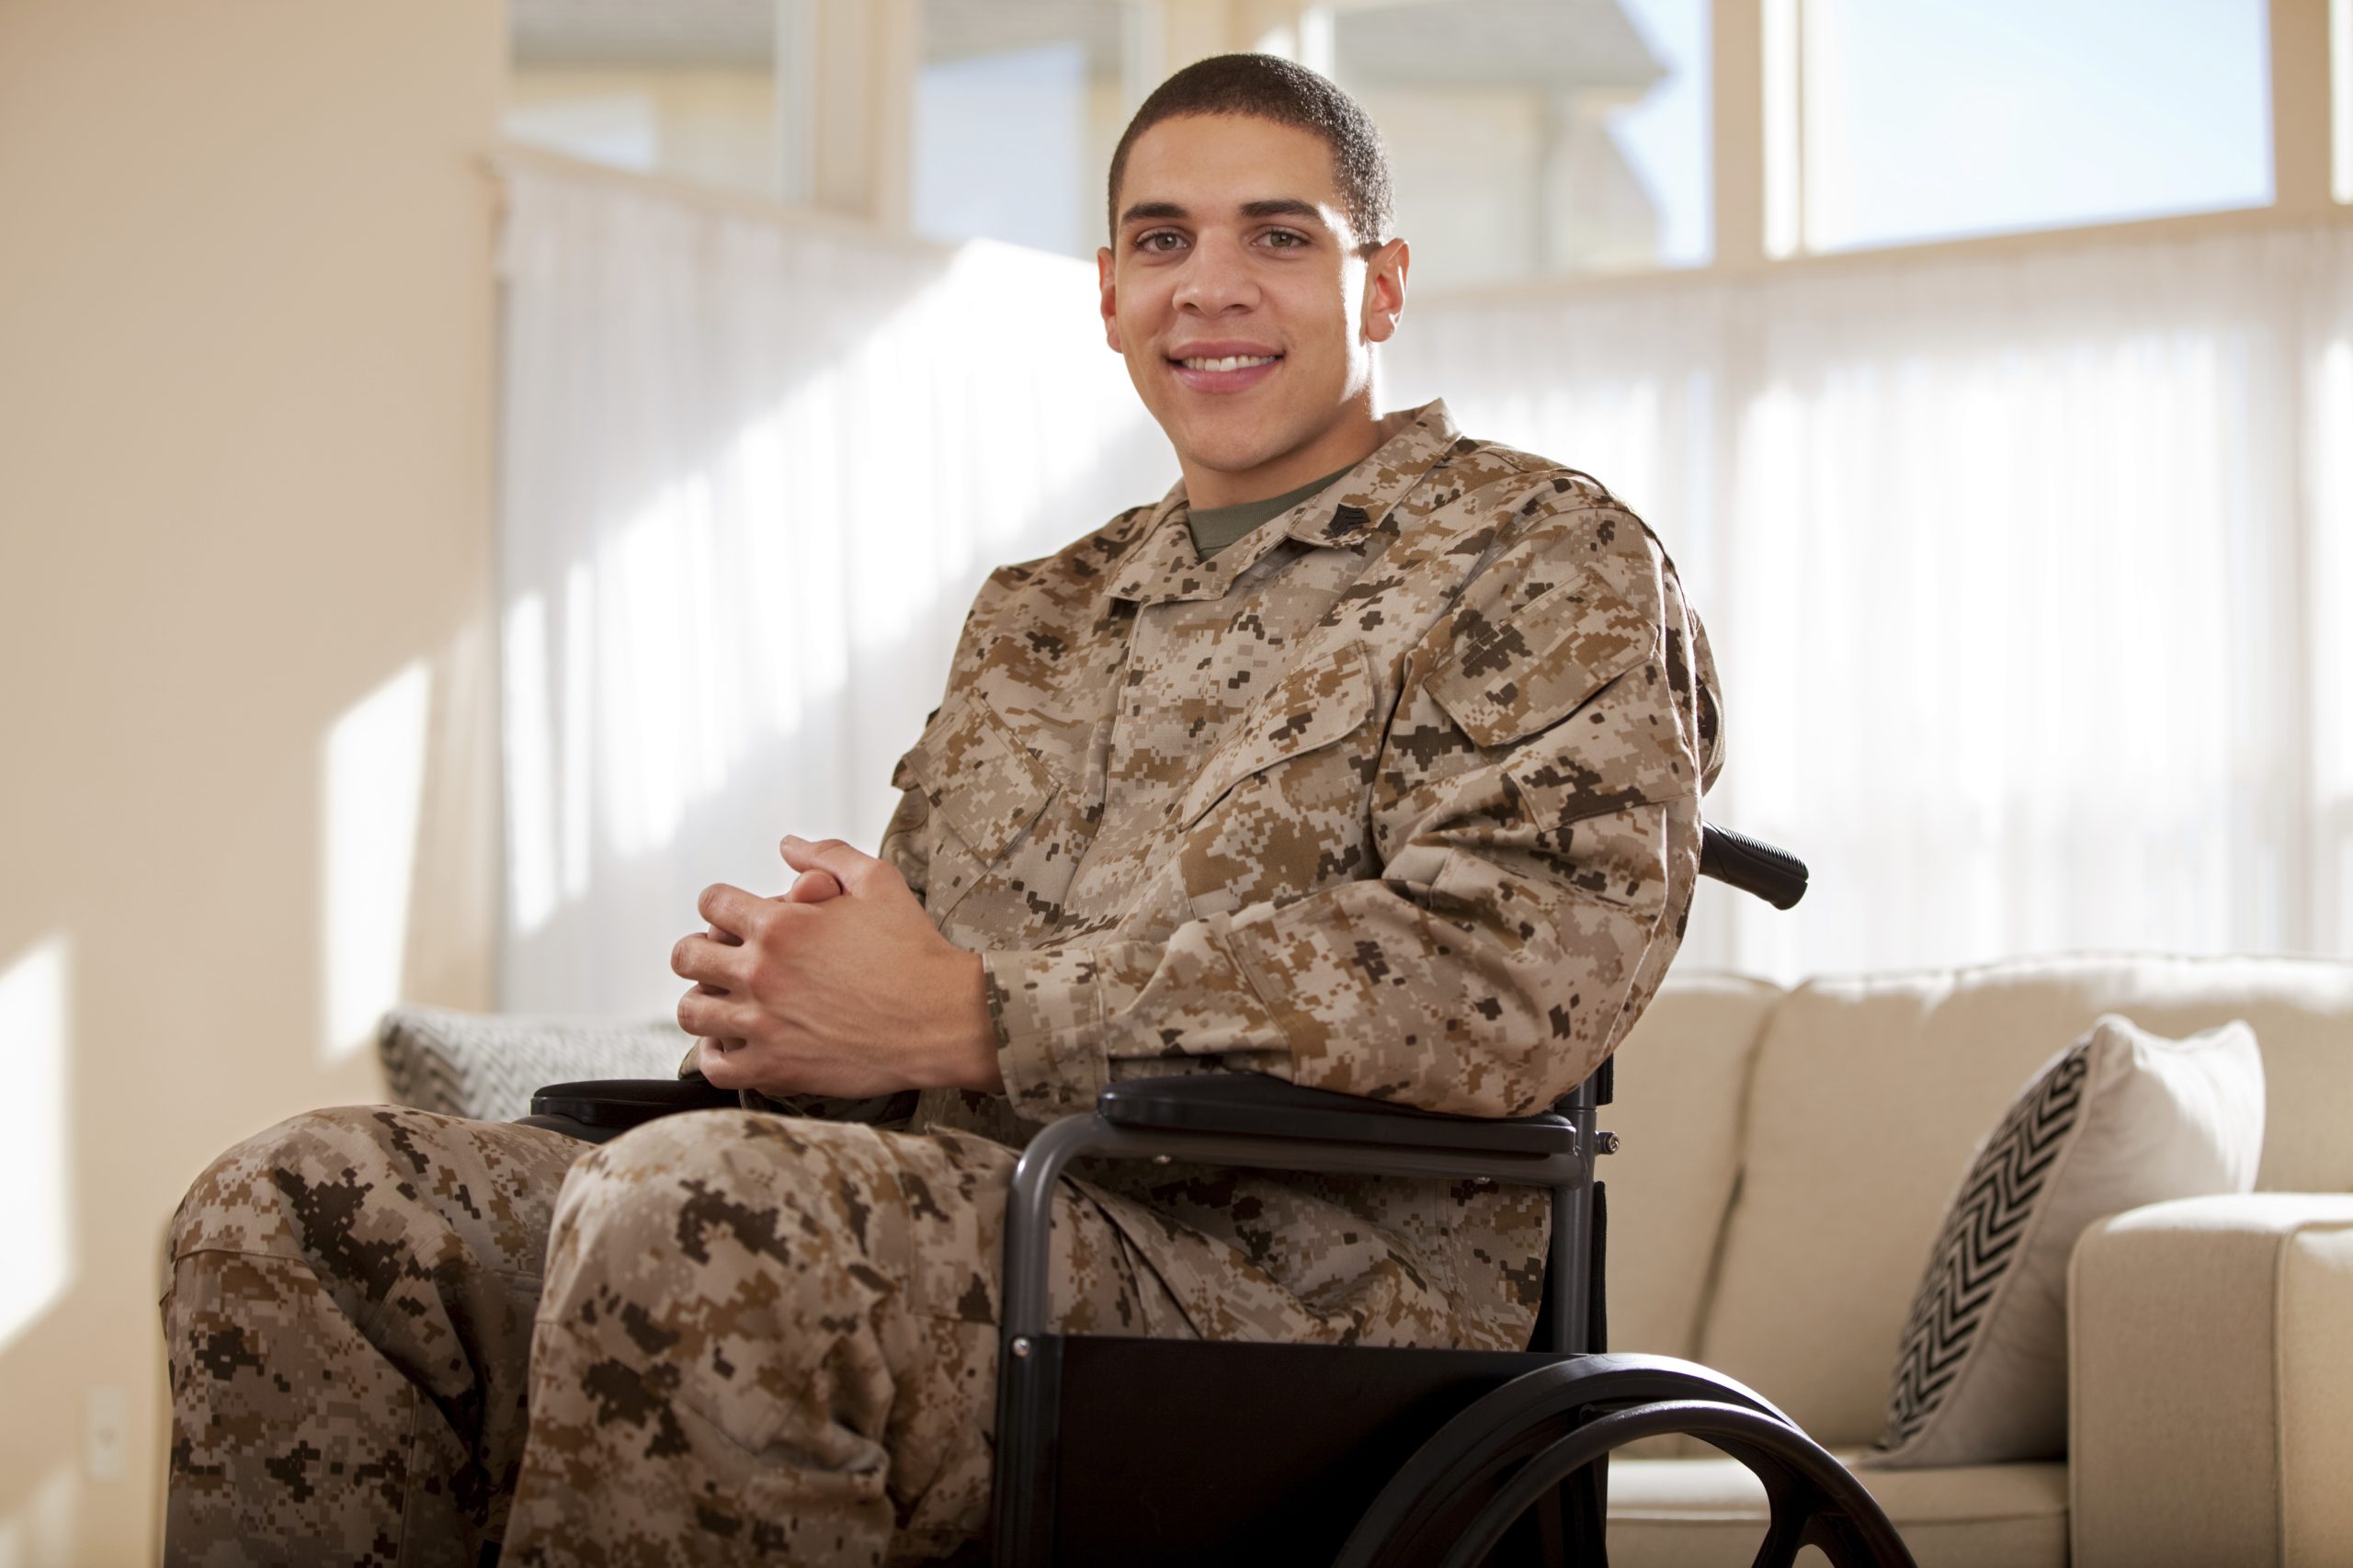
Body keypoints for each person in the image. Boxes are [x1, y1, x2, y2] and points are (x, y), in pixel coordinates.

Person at [161, 52, 1722, 1568]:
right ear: (1108, 294)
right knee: (298, 1202)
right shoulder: (1041, 611)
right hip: (975, 1215)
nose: (1213, 285)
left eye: (1281, 236)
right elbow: (914, 999)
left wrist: (980, 1015)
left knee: (696, 1214)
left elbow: (1508, 975)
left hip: (1300, 1293)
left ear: (1379, 285)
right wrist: (798, 1014)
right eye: (1163, 241)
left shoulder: (1542, 555)